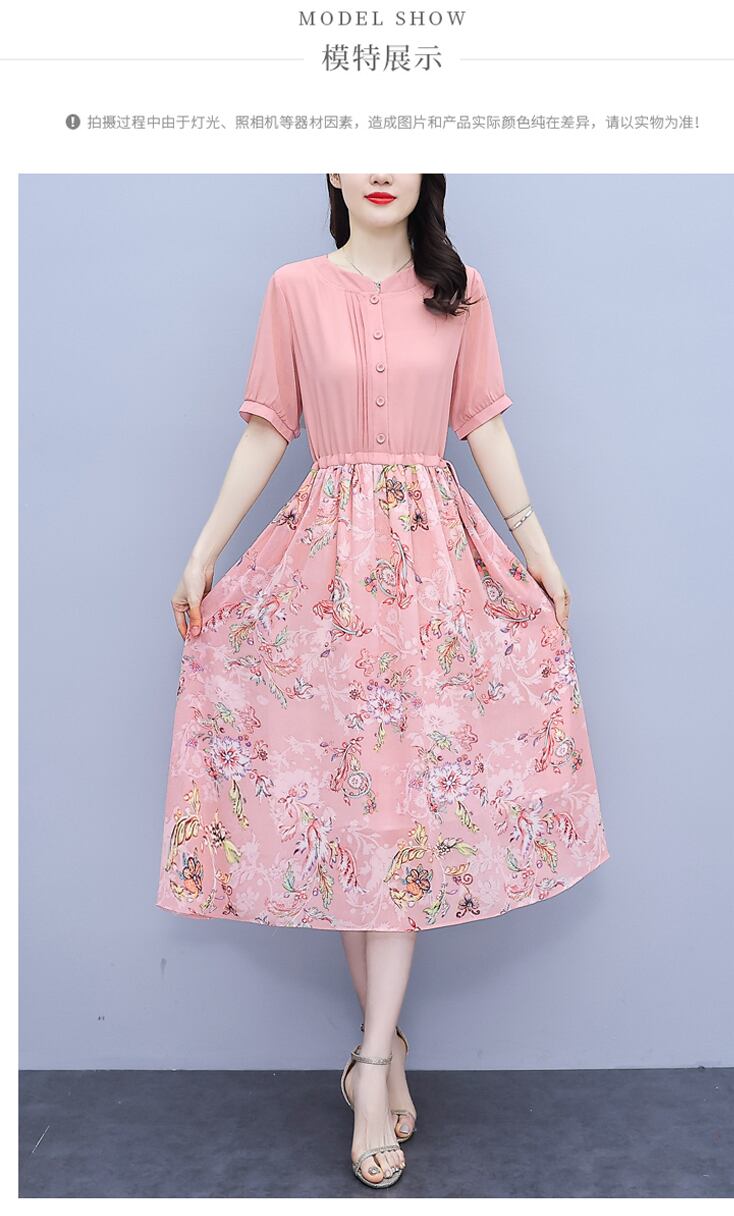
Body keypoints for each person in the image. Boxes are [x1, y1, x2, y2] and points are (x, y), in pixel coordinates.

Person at [156, 173, 610, 1189]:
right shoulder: (293, 288)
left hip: (431, 575)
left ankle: (367, 1064)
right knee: (357, 816)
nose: (379, 164)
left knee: (399, 816)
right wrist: (202, 552)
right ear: (329, 167)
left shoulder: (460, 289)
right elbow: (267, 426)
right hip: (322, 577)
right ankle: (386, 1046)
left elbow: (483, 424)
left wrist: (537, 547)